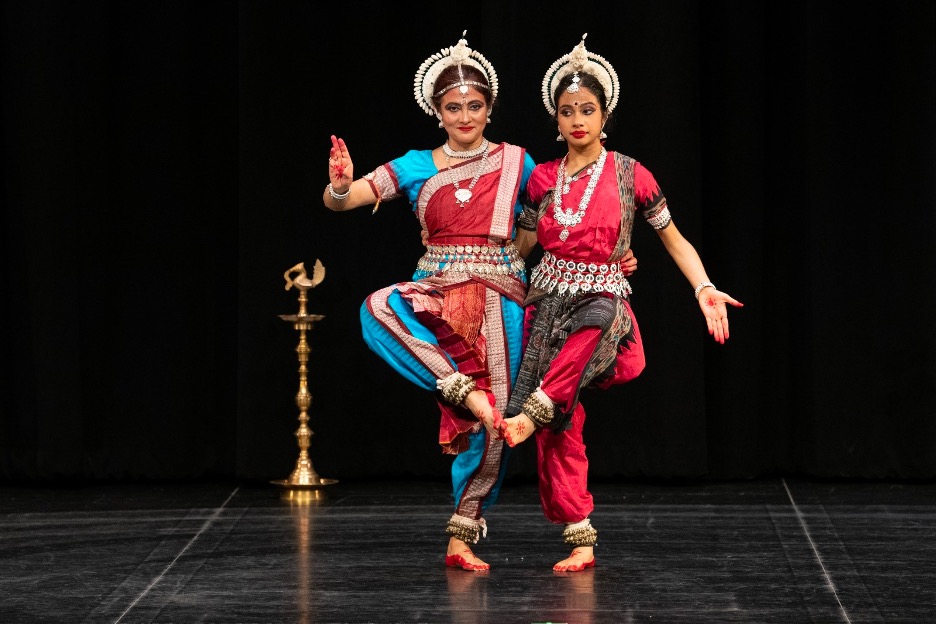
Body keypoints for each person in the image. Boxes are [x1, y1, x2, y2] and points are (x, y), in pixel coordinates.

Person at [501, 34, 744, 573]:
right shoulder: (542, 178)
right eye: (567, 113)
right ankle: (579, 537)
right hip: (547, 306)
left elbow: (674, 239)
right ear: (556, 120)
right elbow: (518, 252)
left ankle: (534, 409)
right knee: (560, 426)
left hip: (602, 303)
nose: (577, 120)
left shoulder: (633, 174)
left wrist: (703, 287)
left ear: (605, 113)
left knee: (604, 317)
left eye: (587, 109)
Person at [323, 32, 542, 572]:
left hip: (502, 298)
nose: (464, 116)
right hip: (439, 292)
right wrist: (338, 185)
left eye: (474, 106)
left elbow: (547, 220)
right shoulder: (418, 163)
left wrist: (610, 255)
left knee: (496, 424)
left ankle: (462, 536)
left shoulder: (517, 161)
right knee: (375, 309)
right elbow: (348, 201)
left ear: (489, 108)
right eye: (453, 107)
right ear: (437, 111)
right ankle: (465, 392)